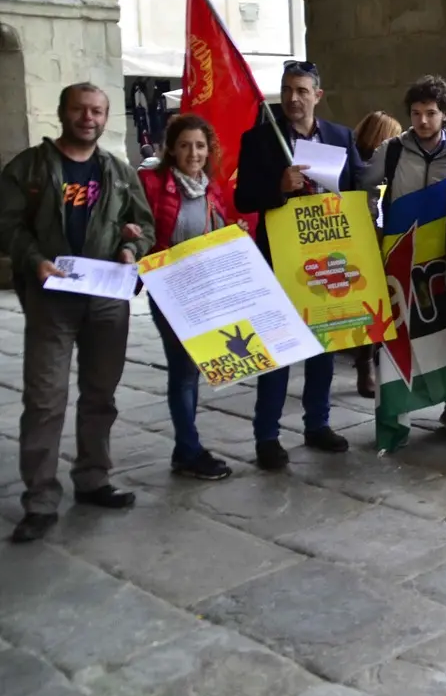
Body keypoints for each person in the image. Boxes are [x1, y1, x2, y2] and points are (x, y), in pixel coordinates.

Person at [0, 83, 157, 542]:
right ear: (63, 112)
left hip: (106, 298)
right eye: (79, 109)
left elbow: (142, 225)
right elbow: (6, 224)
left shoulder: (117, 170)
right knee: (45, 399)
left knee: (99, 396)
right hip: (53, 299)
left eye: (97, 110)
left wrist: (132, 246)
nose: (88, 117)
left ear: (106, 116)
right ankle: (40, 499)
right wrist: (33, 260)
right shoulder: (29, 167)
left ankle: (93, 478)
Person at [234, 61, 361, 471]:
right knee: (277, 348)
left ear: (317, 96)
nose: (293, 98)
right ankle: (266, 436)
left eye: (302, 91)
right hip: (278, 258)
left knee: (322, 345)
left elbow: (358, 190)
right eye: (287, 90)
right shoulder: (258, 139)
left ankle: (317, 423)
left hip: (326, 256)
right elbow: (243, 199)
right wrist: (278, 188)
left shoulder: (340, 137)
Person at [358, 76, 446, 431]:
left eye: (431, 113)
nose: (422, 121)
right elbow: (364, 188)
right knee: (398, 332)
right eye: (416, 113)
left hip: (444, 258)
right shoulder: (391, 150)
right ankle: (395, 414)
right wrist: (375, 228)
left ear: (445, 116)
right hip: (401, 255)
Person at [138, 114, 239, 482]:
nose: (192, 153)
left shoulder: (210, 187)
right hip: (170, 291)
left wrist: (233, 232)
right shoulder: (152, 183)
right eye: (184, 145)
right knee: (182, 371)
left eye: (199, 146)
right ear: (171, 149)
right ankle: (189, 450)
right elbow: (141, 226)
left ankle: (186, 448)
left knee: (192, 371)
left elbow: (217, 231)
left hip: (204, 291)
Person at [350, 110, 403, 398]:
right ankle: (366, 362)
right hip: (369, 234)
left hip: (382, 231)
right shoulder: (368, 168)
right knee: (370, 302)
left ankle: (370, 360)